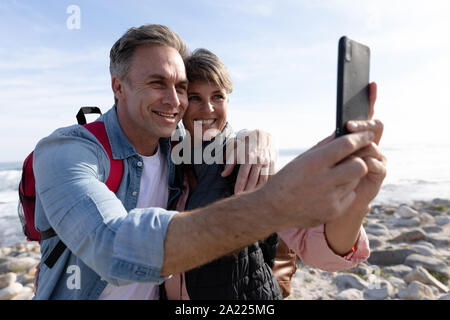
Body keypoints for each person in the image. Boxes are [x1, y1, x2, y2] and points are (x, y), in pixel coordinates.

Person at [32, 24, 386, 300]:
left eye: (181, 87)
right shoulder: (69, 149)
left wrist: (355, 205)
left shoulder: (223, 158)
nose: (175, 101)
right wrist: (271, 205)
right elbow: (111, 250)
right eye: (158, 83)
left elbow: (325, 251)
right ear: (118, 86)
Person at [162, 48, 383, 300]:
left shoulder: (248, 162)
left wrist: (356, 202)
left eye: (217, 96)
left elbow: (322, 249)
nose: (208, 108)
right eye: (195, 97)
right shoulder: (163, 158)